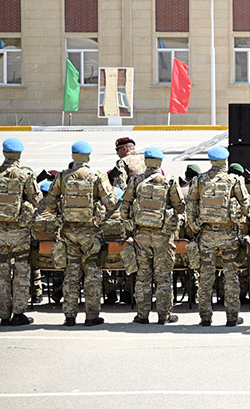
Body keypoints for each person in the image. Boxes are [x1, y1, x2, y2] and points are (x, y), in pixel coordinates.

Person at [43, 141, 117, 326]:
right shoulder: (97, 176)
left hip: (68, 233)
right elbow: (111, 203)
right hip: (90, 233)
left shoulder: (62, 177)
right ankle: (92, 316)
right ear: (88, 156)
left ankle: (69, 316)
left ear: (73, 155)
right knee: (92, 274)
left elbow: (49, 205)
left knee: (71, 274)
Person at [187, 146, 249, 327]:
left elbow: (191, 206)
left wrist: (195, 227)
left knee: (205, 276)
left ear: (211, 161)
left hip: (206, 235)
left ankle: (205, 317)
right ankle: (232, 317)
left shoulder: (199, 180)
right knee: (231, 276)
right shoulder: (234, 180)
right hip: (228, 234)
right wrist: (239, 220)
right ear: (225, 161)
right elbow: (246, 204)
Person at [120, 147, 184, 325]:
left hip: (141, 236)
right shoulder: (169, 182)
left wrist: (131, 224)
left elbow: (124, 208)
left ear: (146, 162)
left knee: (143, 276)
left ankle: (142, 315)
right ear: (160, 162)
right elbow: (180, 207)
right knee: (163, 277)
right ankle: (164, 316)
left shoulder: (136, 181)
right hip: (163, 237)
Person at [0, 138, 42, 327]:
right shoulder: (25, 176)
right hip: (20, 233)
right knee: (21, 273)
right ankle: (18, 314)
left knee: (2, 273)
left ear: (4, 153)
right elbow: (37, 200)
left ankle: (3, 314)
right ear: (19, 155)